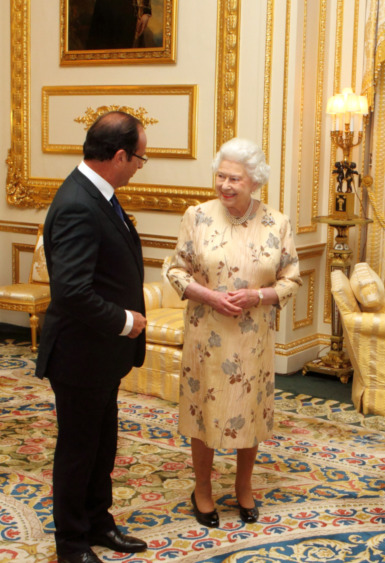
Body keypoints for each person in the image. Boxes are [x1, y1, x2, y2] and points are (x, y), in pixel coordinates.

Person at [166, 137, 301, 527]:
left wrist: (258, 295)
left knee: (250, 412)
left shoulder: (278, 223)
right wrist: (209, 296)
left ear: (254, 181)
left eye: (234, 179)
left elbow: (291, 279)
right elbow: (176, 271)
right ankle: (203, 489)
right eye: (220, 176)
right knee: (202, 411)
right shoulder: (197, 216)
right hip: (206, 335)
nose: (225, 185)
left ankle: (244, 487)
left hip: (252, 339)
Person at [35, 111, 150, 563]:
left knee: (102, 444)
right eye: (139, 158)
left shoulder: (98, 194)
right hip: (80, 355)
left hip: (101, 355)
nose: (141, 166)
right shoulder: (78, 204)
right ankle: (72, 543)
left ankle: (99, 522)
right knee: (79, 450)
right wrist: (126, 321)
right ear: (119, 156)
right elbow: (72, 292)